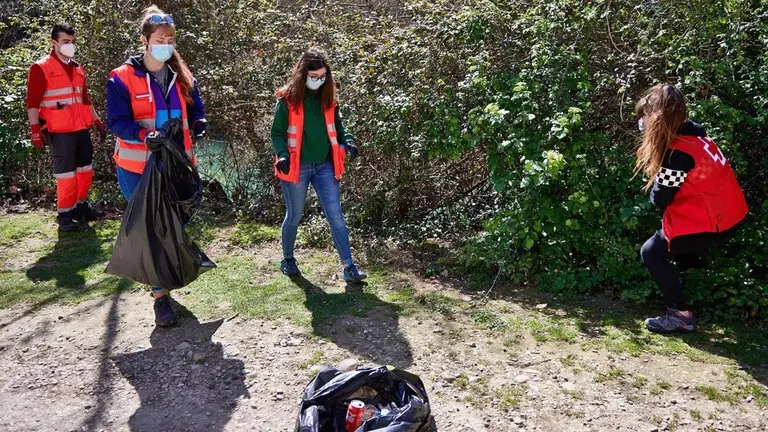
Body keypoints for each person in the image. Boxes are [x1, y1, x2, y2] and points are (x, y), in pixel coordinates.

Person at [106, 5, 207, 327]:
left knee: (175, 225)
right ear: (144, 40)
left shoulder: (182, 76)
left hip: (176, 167)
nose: (167, 43)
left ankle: (172, 274)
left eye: (171, 39)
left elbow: (196, 110)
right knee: (150, 231)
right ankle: (160, 298)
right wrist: (142, 134)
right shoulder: (121, 77)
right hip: (138, 168)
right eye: (160, 38)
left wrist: (200, 121)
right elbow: (117, 121)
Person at [636, 84, 748, 333]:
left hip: (712, 220)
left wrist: (655, 180)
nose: (642, 122)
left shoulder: (677, 155)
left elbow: (660, 198)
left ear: (658, 118)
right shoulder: (696, 135)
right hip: (730, 211)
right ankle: (693, 277)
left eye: (645, 115)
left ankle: (680, 315)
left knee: (651, 252)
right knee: (677, 246)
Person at [271, 47, 366, 283]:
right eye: (314, 77)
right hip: (297, 167)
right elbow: (278, 133)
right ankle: (288, 259)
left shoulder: (329, 99)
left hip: (325, 165)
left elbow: (340, 130)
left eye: (323, 76)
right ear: (303, 75)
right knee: (294, 215)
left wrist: (350, 143)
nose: (319, 80)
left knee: (336, 216)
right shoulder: (288, 99)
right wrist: (282, 155)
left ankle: (349, 267)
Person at [26, 23, 107, 232]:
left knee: (85, 171)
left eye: (72, 42)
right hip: (59, 132)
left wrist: (97, 121)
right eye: (65, 42)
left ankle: (81, 205)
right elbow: (32, 103)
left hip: (81, 129)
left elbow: (85, 100)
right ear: (54, 43)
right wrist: (35, 129)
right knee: (66, 175)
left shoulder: (77, 68)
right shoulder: (41, 68)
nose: (70, 45)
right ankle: (65, 214)